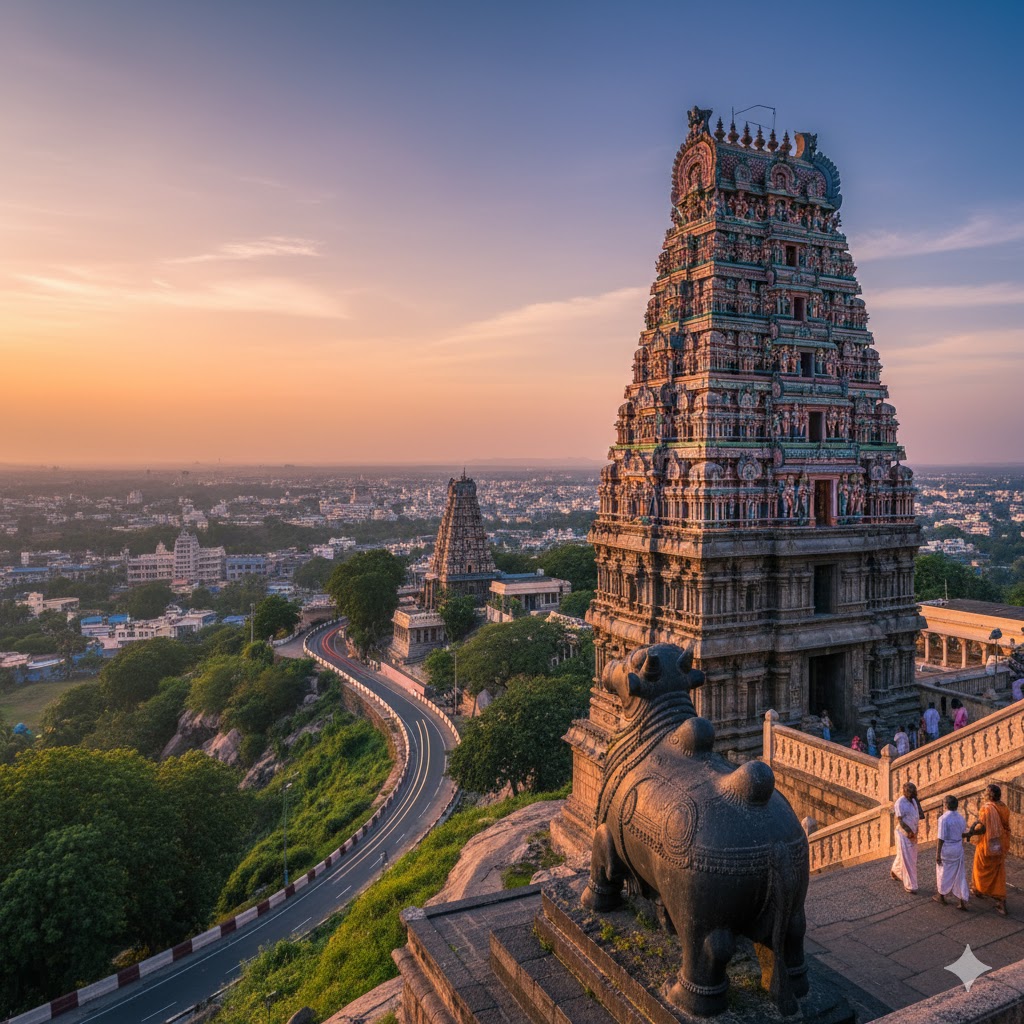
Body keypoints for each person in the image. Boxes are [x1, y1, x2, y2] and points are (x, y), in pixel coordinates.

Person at [967, 784, 1011, 915]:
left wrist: (970, 832)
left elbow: (982, 828)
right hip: (1000, 842)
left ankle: (979, 889)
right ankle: (999, 899)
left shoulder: (986, 809)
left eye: (986, 793)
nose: (984, 795)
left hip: (987, 844)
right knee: (997, 870)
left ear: (989, 796)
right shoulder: (1003, 807)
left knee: (980, 867)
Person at [934, 795, 969, 911]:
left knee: (943, 872)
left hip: (947, 849)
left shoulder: (943, 819)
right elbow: (964, 833)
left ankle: (941, 896)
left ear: (946, 805)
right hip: (958, 848)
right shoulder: (960, 818)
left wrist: (937, 854)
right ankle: (961, 901)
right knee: (960, 874)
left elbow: (941, 838)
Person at [891, 781, 922, 893]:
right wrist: (910, 832)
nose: (915, 794)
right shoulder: (899, 803)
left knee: (908, 856)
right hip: (903, 834)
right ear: (906, 792)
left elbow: (918, 815)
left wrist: (916, 830)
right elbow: (900, 821)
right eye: (913, 792)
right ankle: (910, 885)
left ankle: (895, 870)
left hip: (913, 833)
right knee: (908, 859)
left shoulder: (913, 800)